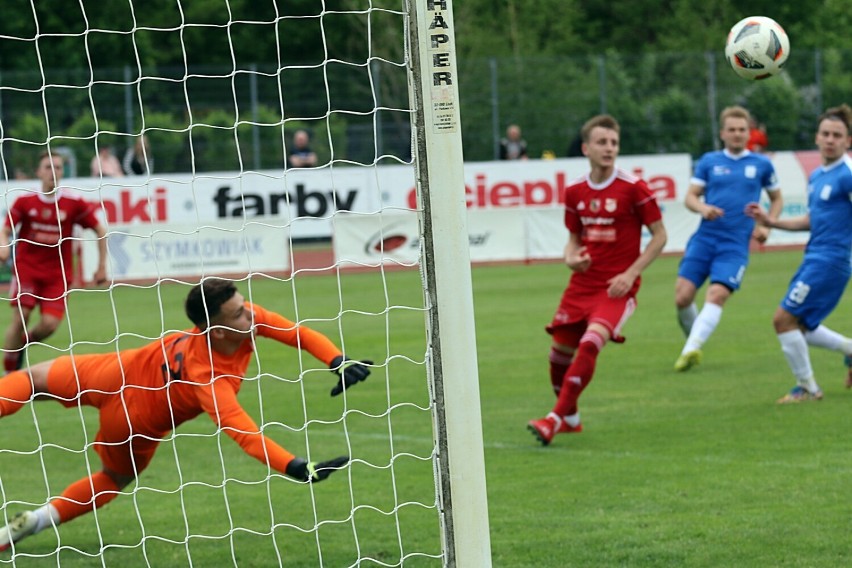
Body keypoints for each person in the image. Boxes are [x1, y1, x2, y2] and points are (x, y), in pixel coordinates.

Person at [0, 278, 373, 551]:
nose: (250, 316)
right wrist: (294, 466)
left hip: (115, 373)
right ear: (213, 329)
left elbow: (296, 333)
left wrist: (337, 359)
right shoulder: (209, 376)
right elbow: (242, 431)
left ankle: (30, 522)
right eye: (238, 315)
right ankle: (38, 521)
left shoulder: (243, 321)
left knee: (30, 380)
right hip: (133, 417)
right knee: (113, 478)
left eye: (245, 306)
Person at [527, 115, 667, 446]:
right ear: (586, 148)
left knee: (590, 343)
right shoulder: (575, 190)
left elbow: (660, 236)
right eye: (602, 142)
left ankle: (554, 419)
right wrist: (570, 259)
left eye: (614, 143)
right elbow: (574, 239)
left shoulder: (634, 188)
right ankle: (572, 419)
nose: (609, 148)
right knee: (558, 357)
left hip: (617, 287)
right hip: (582, 286)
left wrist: (631, 274)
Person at [746, 103, 852, 403]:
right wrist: (772, 221)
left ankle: (807, 388)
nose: (830, 139)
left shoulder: (847, 175)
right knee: (801, 326)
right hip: (814, 257)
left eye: (837, 135)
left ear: (848, 141)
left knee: (783, 321)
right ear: (817, 138)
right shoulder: (817, 175)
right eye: (825, 134)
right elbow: (812, 220)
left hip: (831, 262)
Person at [673, 106, 783, 372]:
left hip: (735, 244)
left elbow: (777, 199)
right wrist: (703, 208)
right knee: (682, 297)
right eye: (731, 130)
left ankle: (691, 350)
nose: (737, 134)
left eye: (742, 130)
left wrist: (767, 226)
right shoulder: (709, 161)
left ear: (749, 133)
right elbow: (690, 197)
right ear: (722, 133)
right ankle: (694, 339)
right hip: (705, 238)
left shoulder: (761, 164)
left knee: (717, 294)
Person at [0, 152, 109, 373]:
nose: (53, 172)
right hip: (27, 270)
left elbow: (100, 230)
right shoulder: (25, 202)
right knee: (23, 315)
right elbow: (5, 229)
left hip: (58, 274)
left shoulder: (73, 204)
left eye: (58, 168)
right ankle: (9, 374)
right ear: (39, 172)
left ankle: (23, 343)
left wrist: (101, 266)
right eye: (48, 167)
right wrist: (3, 245)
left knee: (49, 325)